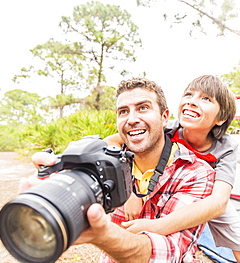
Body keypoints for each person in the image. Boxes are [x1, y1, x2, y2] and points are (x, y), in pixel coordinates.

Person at [29, 77, 215, 262]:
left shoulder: (195, 173)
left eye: (143, 108)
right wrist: (52, 188)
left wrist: (104, 235)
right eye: (123, 111)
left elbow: (171, 252)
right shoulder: (104, 164)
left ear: (164, 117)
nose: (132, 119)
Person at [107, 75, 240, 263]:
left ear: (221, 118)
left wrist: (156, 226)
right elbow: (112, 141)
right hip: (174, 187)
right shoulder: (167, 128)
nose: (192, 102)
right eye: (189, 94)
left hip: (211, 196)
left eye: (206, 99)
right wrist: (129, 190)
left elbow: (218, 202)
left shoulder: (225, 147)